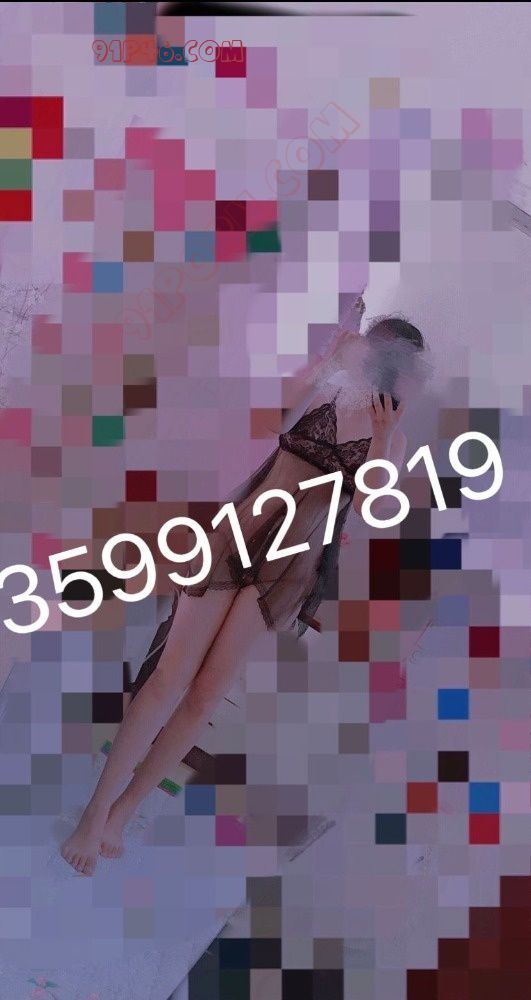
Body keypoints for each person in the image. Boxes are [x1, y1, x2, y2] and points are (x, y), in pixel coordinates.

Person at [61, 300, 426, 874]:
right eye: (384, 357)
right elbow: (268, 422)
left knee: (205, 695)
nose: (387, 373)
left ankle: (123, 811)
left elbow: (373, 509)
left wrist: (382, 437)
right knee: (169, 678)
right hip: (236, 535)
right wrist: (328, 359)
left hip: (289, 567)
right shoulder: (328, 390)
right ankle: (95, 812)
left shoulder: (394, 439)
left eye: (399, 368)